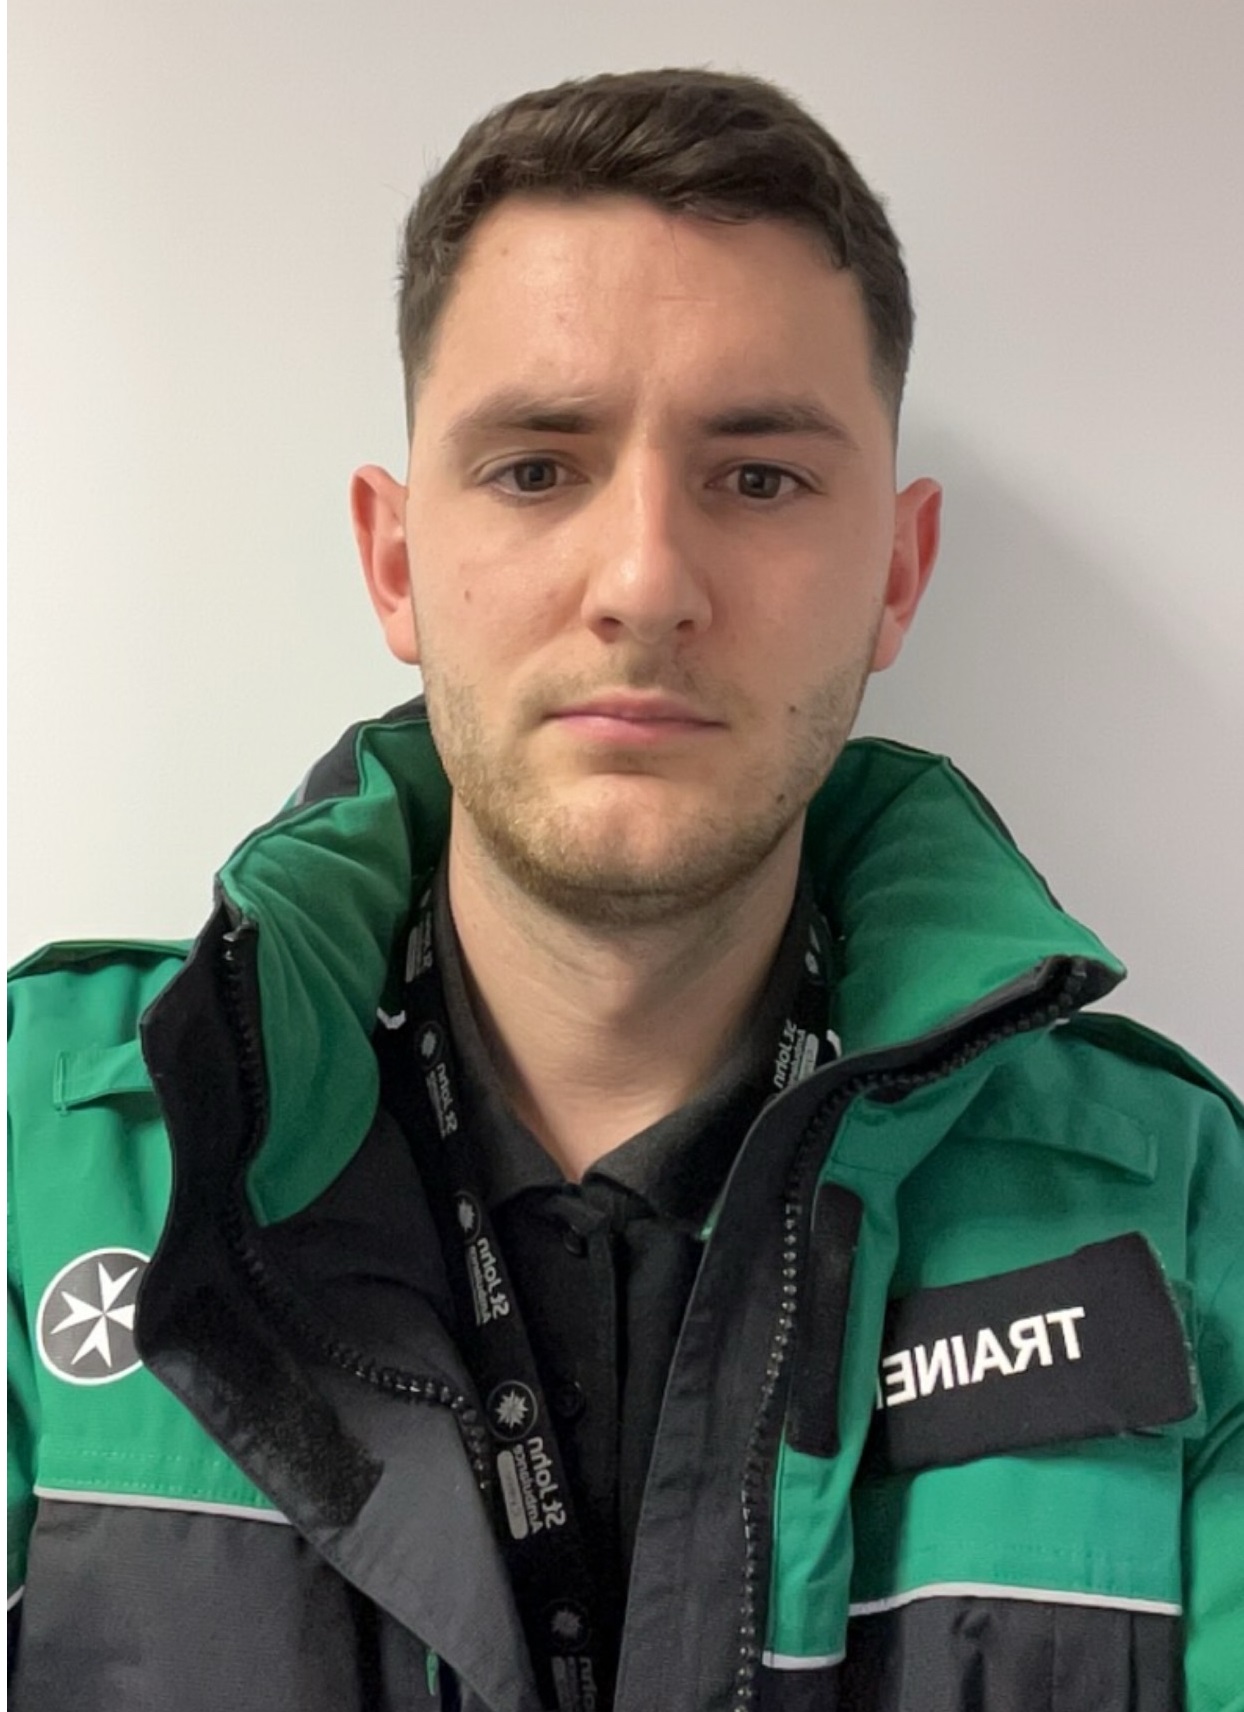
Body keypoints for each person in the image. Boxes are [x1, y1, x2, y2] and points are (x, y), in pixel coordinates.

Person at [7, 67, 1242, 1712]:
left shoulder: (1175, 1213)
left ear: (895, 569)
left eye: (758, 479)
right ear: (395, 561)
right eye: (535, 468)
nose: (647, 582)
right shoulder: (49, 1160)